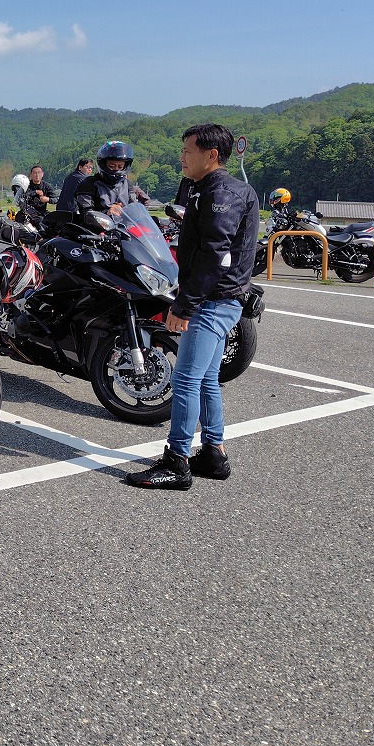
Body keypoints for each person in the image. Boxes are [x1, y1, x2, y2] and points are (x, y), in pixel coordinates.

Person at [127, 123, 259, 491]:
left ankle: (177, 461)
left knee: (185, 379)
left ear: (211, 155)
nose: (181, 157)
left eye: (188, 151)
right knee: (205, 379)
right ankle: (214, 453)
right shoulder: (215, 188)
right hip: (222, 299)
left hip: (211, 301)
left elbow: (215, 256)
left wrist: (184, 306)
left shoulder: (221, 194)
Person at [75, 141, 146, 217]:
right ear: (103, 164)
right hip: (99, 224)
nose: (116, 169)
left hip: (124, 223)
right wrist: (107, 213)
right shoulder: (89, 184)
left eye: (120, 167)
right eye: (112, 166)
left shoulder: (127, 184)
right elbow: (86, 213)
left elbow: (133, 206)